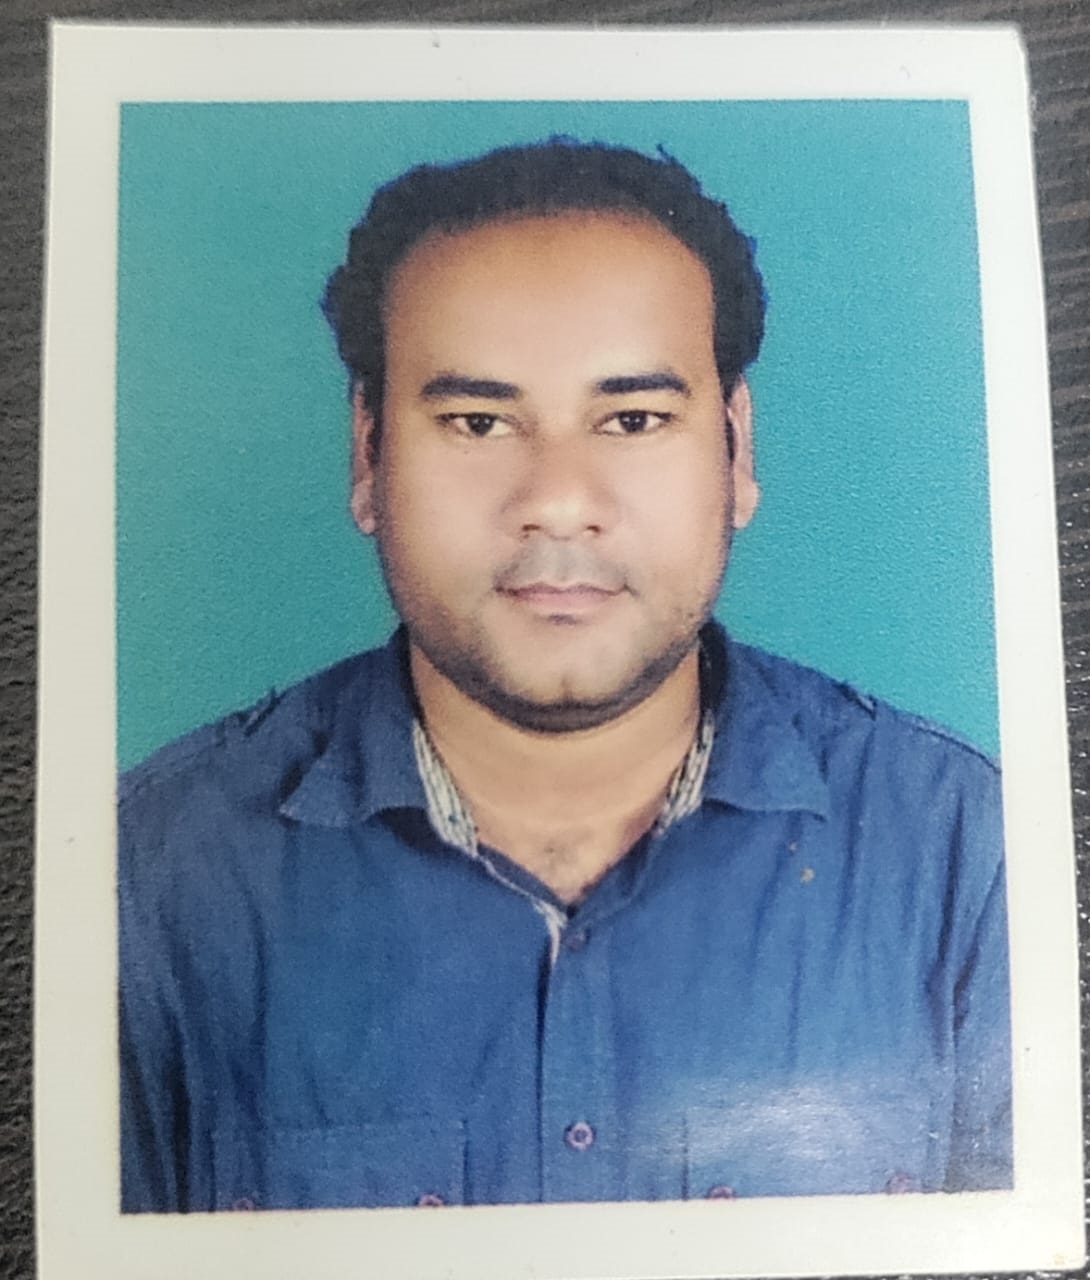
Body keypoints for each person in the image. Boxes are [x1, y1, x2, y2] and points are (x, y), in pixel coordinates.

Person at [118, 139, 1011, 1213]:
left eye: (632, 420)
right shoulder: (148, 877)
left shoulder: (968, 855)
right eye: (478, 422)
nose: (556, 499)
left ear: (735, 452)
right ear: (367, 454)